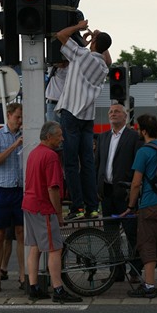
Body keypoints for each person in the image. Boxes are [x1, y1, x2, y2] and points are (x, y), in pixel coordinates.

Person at [54, 20, 112, 220]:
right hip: (88, 117)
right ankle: (92, 207)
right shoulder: (103, 68)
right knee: (87, 163)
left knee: (70, 163)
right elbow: (108, 60)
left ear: (94, 44)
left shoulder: (82, 55)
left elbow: (61, 35)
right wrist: (98, 38)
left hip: (71, 112)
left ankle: (77, 207)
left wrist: (78, 27)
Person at [23, 121, 83, 303]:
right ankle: (58, 289)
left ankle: (33, 287)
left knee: (35, 247)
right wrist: (58, 213)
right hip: (44, 208)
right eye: (59, 135)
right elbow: (53, 188)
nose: (62, 138)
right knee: (55, 248)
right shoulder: (50, 156)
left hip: (29, 204)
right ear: (49, 137)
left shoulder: (33, 153)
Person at [122, 114, 157, 299]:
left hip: (150, 204)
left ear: (144, 131)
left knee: (147, 243)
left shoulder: (144, 152)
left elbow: (136, 183)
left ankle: (149, 285)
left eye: (139, 129)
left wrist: (131, 205)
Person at [95, 104, 143, 283]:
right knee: (111, 234)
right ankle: (116, 271)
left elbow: (138, 164)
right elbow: (97, 163)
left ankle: (135, 271)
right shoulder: (103, 137)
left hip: (125, 192)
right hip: (106, 192)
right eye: (110, 112)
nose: (112, 114)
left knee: (131, 232)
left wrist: (134, 189)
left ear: (125, 116)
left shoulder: (133, 137)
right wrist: (97, 187)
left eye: (116, 111)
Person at [0, 103, 25, 293]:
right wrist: (14, 146)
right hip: (2, 190)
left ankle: (24, 275)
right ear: (8, 115)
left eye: (22, 117)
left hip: (20, 190)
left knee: (21, 234)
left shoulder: (25, 134)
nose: (20, 121)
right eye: (17, 117)